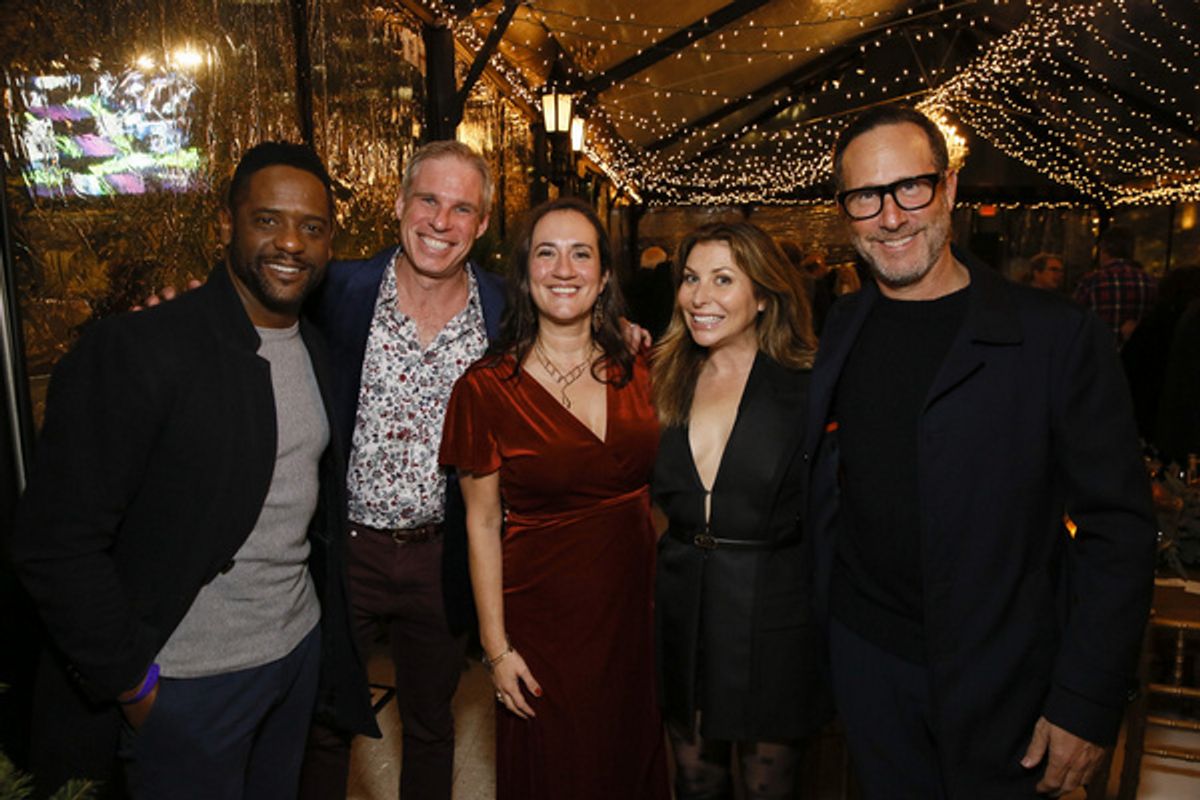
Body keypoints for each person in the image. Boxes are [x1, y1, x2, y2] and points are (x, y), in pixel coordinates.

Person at [803, 106, 1156, 798]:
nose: (892, 216)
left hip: (1005, 684)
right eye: (866, 197)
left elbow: (1118, 528)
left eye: (912, 188)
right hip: (869, 664)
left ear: (950, 189)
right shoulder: (843, 324)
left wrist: (1084, 701)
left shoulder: (1055, 338)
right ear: (845, 212)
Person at [10, 142, 376, 799]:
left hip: (293, 659)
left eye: (312, 227)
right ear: (225, 225)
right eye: (268, 220)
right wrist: (134, 684)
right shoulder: (139, 349)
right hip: (188, 684)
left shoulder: (315, 349)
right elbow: (55, 543)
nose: (291, 242)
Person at [440, 197, 669, 800]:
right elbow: (481, 524)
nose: (563, 269)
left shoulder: (645, 365)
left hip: (636, 617)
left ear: (604, 276)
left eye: (580, 254)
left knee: (630, 761)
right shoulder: (484, 389)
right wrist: (496, 649)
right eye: (547, 253)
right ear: (524, 273)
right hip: (541, 623)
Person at [300, 139, 506, 800]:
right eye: (428, 200)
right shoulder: (337, 290)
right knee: (326, 721)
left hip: (439, 555)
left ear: (480, 224)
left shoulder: (503, 313)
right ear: (399, 204)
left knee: (430, 723)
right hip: (345, 550)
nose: (441, 222)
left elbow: (575, 336)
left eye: (461, 208)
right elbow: (252, 315)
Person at [651, 221, 831, 799]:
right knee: (695, 781)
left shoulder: (808, 388)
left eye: (723, 280)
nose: (700, 297)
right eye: (691, 279)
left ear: (762, 296)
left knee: (766, 787)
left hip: (775, 609)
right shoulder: (662, 378)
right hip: (685, 606)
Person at [1073, 225, 1157, 345]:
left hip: (1098, 353)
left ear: (1104, 250)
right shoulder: (1150, 282)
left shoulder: (1092, 281)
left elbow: (1074, 320)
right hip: (1136, 355)